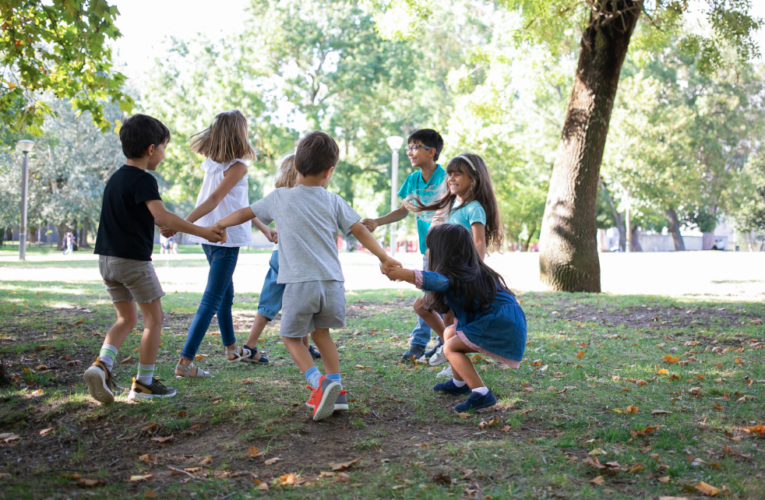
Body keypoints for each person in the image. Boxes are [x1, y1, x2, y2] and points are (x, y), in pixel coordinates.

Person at [214, 131, 401, 421]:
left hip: (300, 284)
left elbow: (244, 213)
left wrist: (221, 224)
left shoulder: (280, 197)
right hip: (332, 284)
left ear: (295, 168)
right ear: (330, 172)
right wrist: (384, 256)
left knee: (290, 336)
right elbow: (360, 229)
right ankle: (337, 392)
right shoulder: (333, 200)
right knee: (322, 335)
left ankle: (319, 382)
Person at [83, 113, 225, 404]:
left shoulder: (115, 180)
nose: (163, 153)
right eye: (163, 147)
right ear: (151, 149)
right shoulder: (144, 180)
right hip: (133, 262)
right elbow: (161, 215)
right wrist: (203, 231)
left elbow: (138, 216)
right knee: (154, 319)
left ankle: (102, 365)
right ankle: (144, 383)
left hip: (107, 261)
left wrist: (159, 223)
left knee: (125, 318)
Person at [166, 110, 275, 379]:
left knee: (225, 294)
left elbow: (239, 204)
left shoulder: (212, 164)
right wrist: (179, 224)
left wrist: (263, 226)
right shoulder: (237, 166)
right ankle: (185, 361)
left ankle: (230, 348)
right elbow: (214, 200)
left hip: (209, 235)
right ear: (240, 133)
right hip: (224, 238)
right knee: (213, 298)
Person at [383, 224, 526, 412]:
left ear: (443, 252)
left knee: (450, 347)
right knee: (450, 333)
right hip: (502, 321)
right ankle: (459, 384)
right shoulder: (469, 271)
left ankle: (481, 393)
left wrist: (404, 275)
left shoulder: (455, 276)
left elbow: (436, 280)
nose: (427, 252)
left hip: (499, 324)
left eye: (430, 248)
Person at [410, 153, 504, 376]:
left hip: (462, 275)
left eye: (457, 174)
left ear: (474, 178)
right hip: (444, 273)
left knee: (450, 318)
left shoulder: (474, 208)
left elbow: (479, 242)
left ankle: (454, 365)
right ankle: (448, 349)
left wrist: (476, 272)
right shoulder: (450, 205)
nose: (451, 178)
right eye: (449, 174)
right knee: (424, 308)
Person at [361, 129, 446, 362]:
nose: (410, 151)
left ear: (431, 152)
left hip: (447, 252)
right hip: (427, 252)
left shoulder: (447, 178)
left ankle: (425, 344)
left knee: (433, 298)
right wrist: (377, 222)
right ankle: (437, 343)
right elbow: (402, 211)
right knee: (429, 297)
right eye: (408, 147)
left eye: (414, 146)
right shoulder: (413, 180)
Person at [238, 154, 321, 365]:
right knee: (300, 301)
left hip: (279, 254)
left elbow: (252, 211)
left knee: (271, 302)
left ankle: (251, 345)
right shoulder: (304, 197)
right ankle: (252, 346)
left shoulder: (279, 196)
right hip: (294, 257)